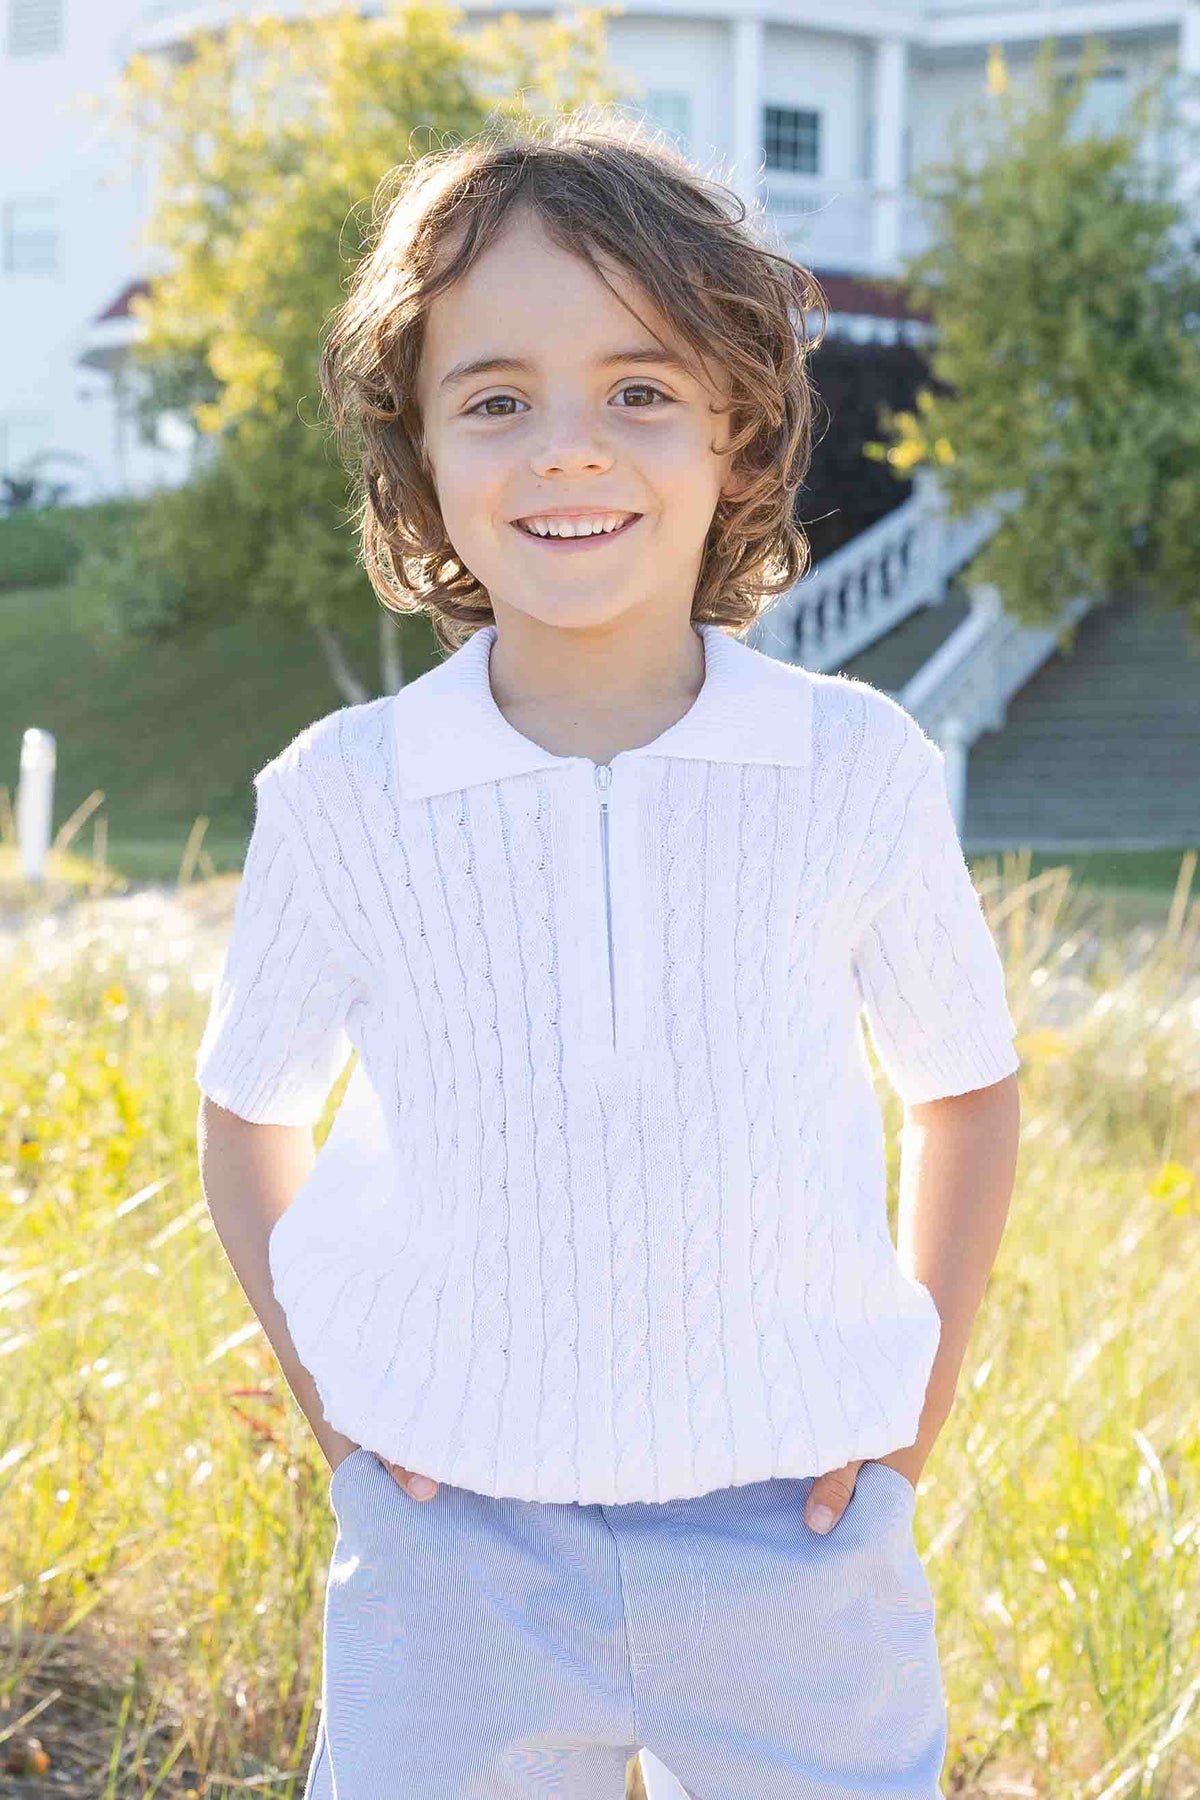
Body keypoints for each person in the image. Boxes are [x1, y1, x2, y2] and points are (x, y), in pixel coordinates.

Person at [195, 109, 1021, 1800]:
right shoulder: (343, 795)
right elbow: (246, 1116)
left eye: (640, 389)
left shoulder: (854, 767)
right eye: (497, 400)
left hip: (799, 1544)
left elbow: (968, 1090)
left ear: (737, 428)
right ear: (417, 449)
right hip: (451, 1557)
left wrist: (906, 1429)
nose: (568, 451)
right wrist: (346, 1431)